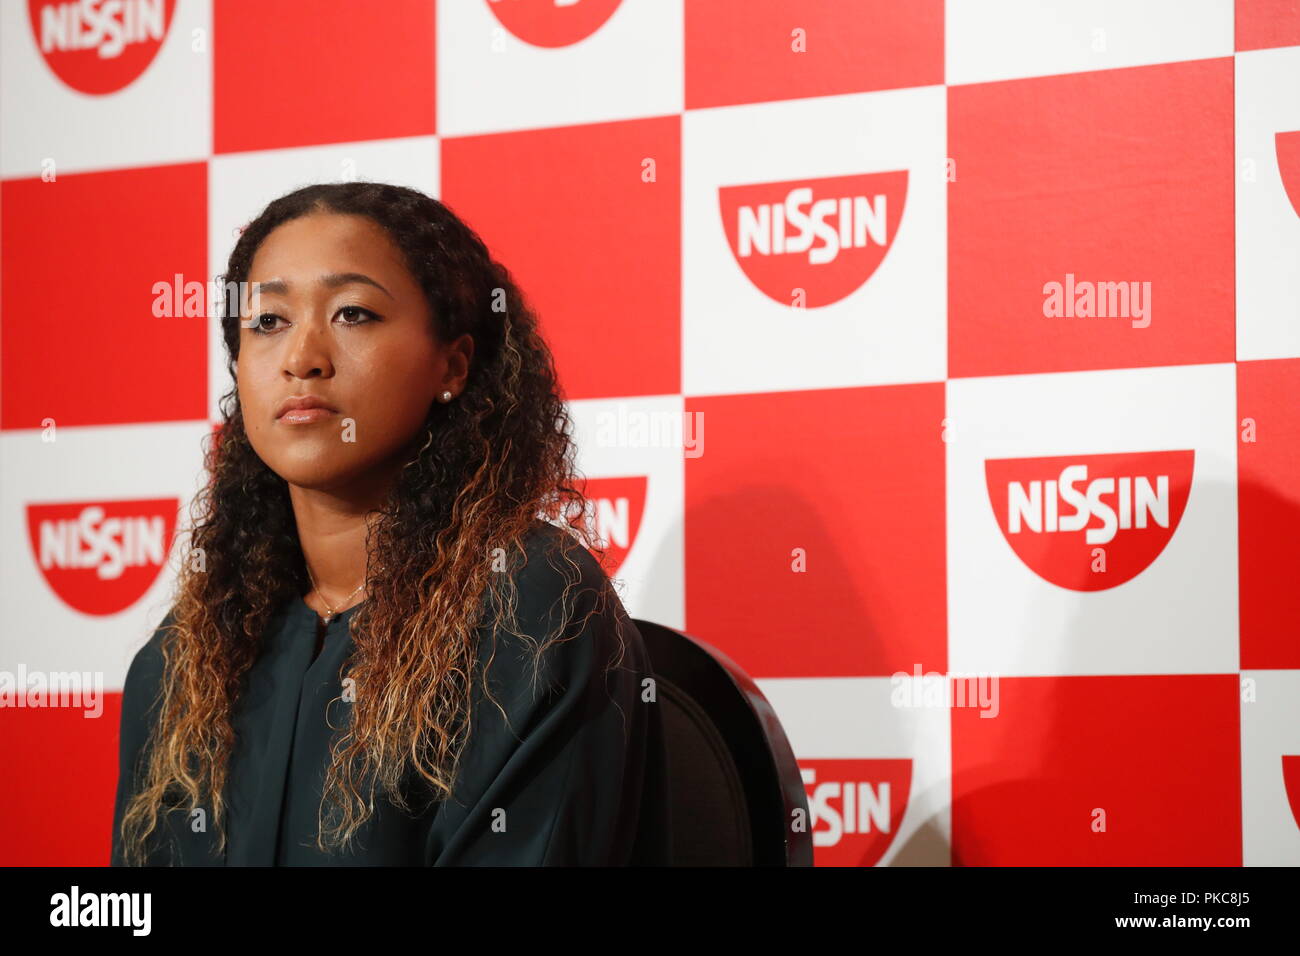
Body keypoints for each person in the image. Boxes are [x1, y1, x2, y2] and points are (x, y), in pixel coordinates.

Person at [110, 181, 671, 865]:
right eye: (268, 322)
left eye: (352, 314)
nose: (302, 358)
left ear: (453, 365)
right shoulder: (185, 657)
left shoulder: (527, 606)